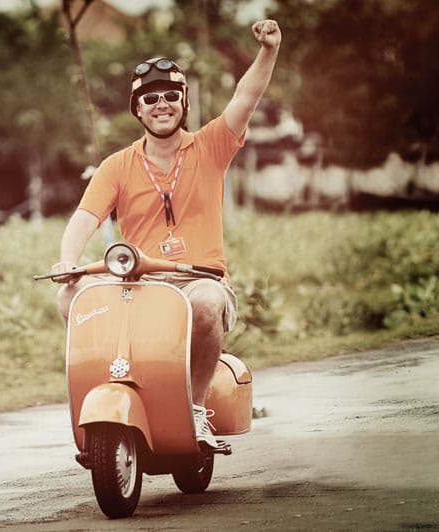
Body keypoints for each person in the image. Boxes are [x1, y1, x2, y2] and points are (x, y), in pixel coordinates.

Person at [51, 20, 282, 448]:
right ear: (137, 109)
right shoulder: (117, 165)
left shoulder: (212, 145)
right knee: (71, 296)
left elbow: (245, 98)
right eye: (150, 98)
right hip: (138, 287)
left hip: (199, 278)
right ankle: (113, 391)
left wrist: (268, 51)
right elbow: (85, 217)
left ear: (183, 104)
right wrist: (68, 261)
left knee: (206, 301)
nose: (163, 104)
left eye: (172, 96)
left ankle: (195, 411)